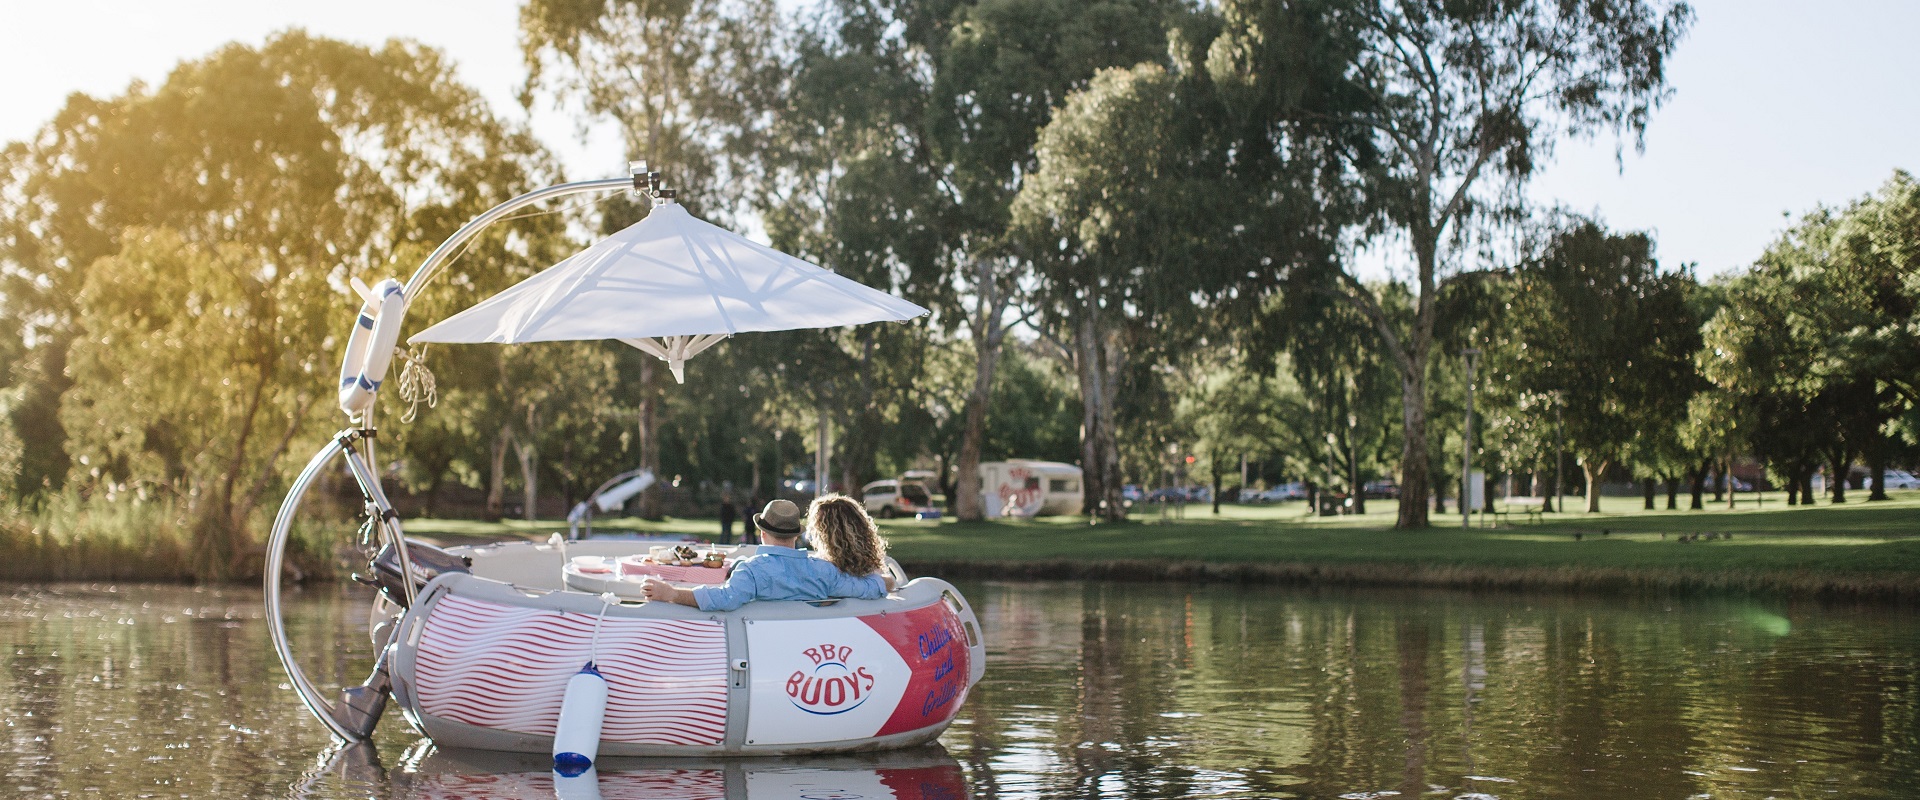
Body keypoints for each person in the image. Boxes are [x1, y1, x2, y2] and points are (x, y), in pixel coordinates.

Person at [641, 496, 895, 611]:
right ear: (797, 536)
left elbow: (723, 598)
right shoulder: (825, 571)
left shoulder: (752, 571)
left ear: (761, 533)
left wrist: (671, 593)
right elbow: (871, 588)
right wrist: (884, 580)